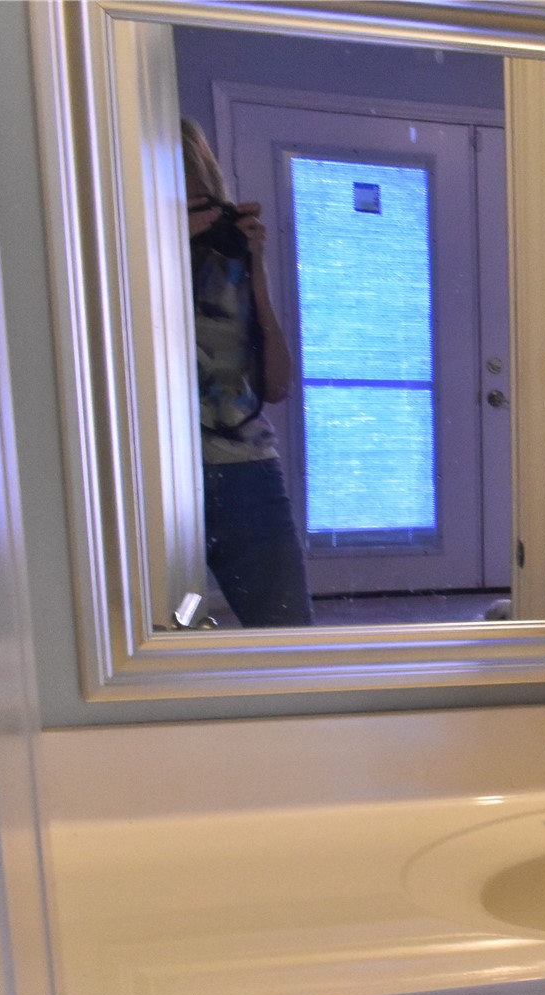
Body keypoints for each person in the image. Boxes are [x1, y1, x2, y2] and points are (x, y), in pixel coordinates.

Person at [181, 119, 313, 626]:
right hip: (150, 480)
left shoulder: (232, 258)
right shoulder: (113, 257)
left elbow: (276, 386)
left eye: (202, 203)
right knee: (163, 644)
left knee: (289, 641)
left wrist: (254, 268)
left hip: (245, 470)